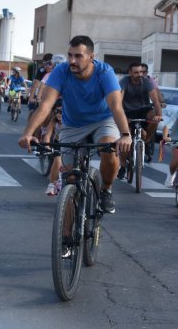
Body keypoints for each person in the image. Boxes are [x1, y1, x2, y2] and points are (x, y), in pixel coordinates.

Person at [18, 35, 132, 214]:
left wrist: (125, 134)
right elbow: (46, 105)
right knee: (70, 180)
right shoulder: (61, 72)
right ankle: (67, 237)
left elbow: (116, 106)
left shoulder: (105, 72)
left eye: (78, 56)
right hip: (72, 125)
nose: (72, 60)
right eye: (70, 55)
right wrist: (28, 132)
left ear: (91, 57)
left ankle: (105, 191)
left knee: (109, 151)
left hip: (102, 120)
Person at [117, 62, 163, 179]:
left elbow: (155, 101)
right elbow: (118, 101)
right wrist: (122, 117)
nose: (140, 74)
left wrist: (159, 115)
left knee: (154, 116)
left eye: (141, 72)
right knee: (124, 140)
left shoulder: (147, 81)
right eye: (136, 72)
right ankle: (122, 166)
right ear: (130, 73)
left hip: (143, 110)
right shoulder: (124, 81)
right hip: (127, 112)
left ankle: (146, 140)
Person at [42, 99, 63, 196]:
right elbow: (48, 135)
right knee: (58, 160)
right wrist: (46, 146)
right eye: (56, 112)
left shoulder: (72, 120)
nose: (59, 114)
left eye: (61, 112)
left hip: (72, 144)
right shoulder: (53, 121)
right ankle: (52, 184)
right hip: (58, 144)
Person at [28, 53, 53, 120]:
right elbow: (36, 84)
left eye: (49, 64)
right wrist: (31, 98)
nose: (47, 66)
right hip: (38, 94)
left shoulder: (56, 70)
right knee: (32, 112)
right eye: (45, 64)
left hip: (50, 95)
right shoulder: (41, 70)